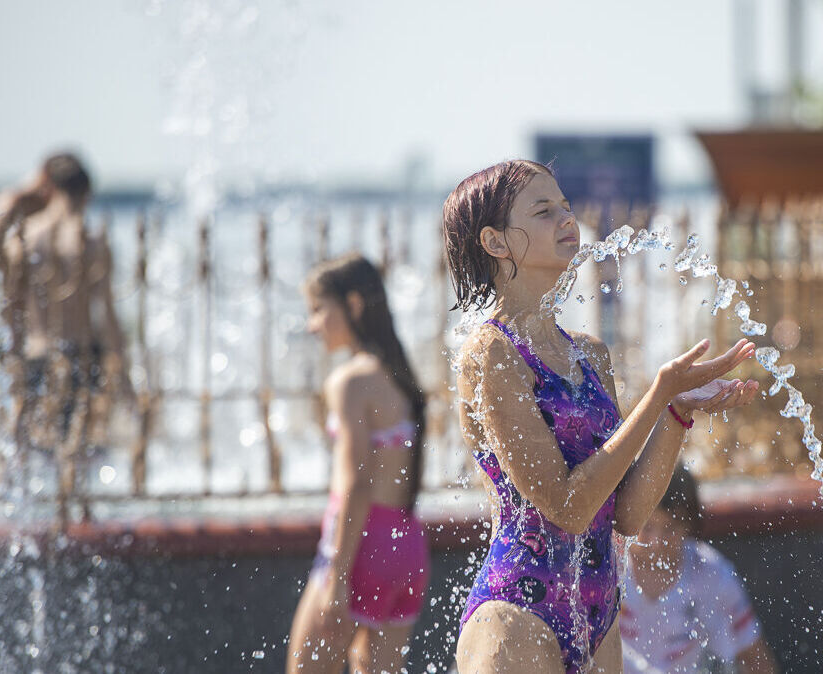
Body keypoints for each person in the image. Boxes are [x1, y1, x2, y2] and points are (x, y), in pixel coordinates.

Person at [445, 160, 761, 674]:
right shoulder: (491, 352)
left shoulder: (590, 355)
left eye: (566, 206)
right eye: (544, 211)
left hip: (599, 613)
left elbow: (627, 515)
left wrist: (675, 411)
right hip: (519, 615)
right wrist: (657, 394)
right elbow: (566, 507)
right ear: (497, 243)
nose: (566, 218)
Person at [287, 253, 431, 673]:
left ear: (352, 305)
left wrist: (337, 574)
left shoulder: (350, 381)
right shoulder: (400, 379)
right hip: (406, 548)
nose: (313, 325)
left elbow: (356, 483)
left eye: (318, 310)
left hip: (360, 547)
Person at [0, 152, 130, 448]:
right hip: (85, 357)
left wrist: (19, 193)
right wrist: (125, 375)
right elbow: (109, 316)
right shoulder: (93, 242)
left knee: (34, 452)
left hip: (37, 355)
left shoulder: (25, 239)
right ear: (86, 193)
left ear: (47, 186)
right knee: (83, 455)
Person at [621, 465, 778, 674]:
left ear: (689, 525)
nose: (656, 542)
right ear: (626, 517)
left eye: (670, 528)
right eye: (646, 527)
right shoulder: (608, 570)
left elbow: (757, 662)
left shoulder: (713, 575)